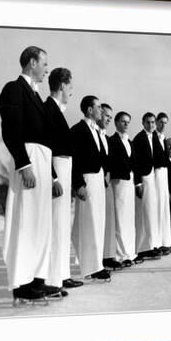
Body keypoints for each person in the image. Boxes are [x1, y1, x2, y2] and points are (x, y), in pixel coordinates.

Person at [0, 46, 58, 302]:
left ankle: (37, 279)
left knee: (40, 224)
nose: (46, 69)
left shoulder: (34, 93)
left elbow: (46, 138)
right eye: (44, 64)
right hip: (30, 160)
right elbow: (11, 130)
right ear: (32, 62)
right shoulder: (13, 88)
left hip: (43, 161)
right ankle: (22, 285)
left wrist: (52, 175)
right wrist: (24, 166)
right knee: (25, 223)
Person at [44, 67, 83, 292]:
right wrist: (53, 177)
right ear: (61, 86)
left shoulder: (57, 110)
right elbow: (45, 147)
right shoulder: (49, 109)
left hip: (65, 170)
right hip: (57, 170)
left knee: (62, 226)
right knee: (55, 225)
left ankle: (62, 274)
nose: (71, 91)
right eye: (70, 87)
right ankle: (52, 278)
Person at [70, 96, 111, 281]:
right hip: (87, 181)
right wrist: (78, 184)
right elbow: (74, 160)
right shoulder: (78, 130)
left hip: (98, 180)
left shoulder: (96, 131)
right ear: (88, 110)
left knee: (98, 222)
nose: (101, 110)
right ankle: (90, 267)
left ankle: (96, 264)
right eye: (98, 107)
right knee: (89, 223)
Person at [107, 111, 140, 267]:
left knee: (128, 219)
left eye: (128, 122)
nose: (126, 124)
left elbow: (134, 163)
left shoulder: (131, 142)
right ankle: (119, 255)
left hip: (129, 183)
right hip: (118, 182)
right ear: (116, 123)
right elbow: (112, 162)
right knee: (119, 219)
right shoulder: (111, 141)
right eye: (123, 121)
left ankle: (129, 253)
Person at [133, 112, 164, 260]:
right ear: (143, 123)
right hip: (144, 178)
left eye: (153, 122)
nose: (151, 125)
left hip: (153, 177)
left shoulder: (155, 136)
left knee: (152, 212)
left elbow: (159, 157)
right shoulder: (139, 139)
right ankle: (143, 248)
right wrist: (137, 182)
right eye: (148, 122)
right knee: (145, 212)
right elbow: (136, 162)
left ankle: (152, 244)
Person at [97, 104, 122, 271]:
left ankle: (108, 256)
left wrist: (110, 172)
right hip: (96, 180)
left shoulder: (106, 137)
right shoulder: (94, 134)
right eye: (106, 115)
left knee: (108, 220)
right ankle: (98, 258)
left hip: (107, 182)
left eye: (110, 118)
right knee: (98, 221)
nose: (108, 120)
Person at [153, 112, 171, 255]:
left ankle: (165, 242)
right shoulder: (152, 137)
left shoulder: (163, 138)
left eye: (165, 123)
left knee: (164, 209)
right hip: (155, 175)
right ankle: (156, 243)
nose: (163, 125)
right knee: (157, 210)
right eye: (161, 122)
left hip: (164, 175)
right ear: (156, 122)